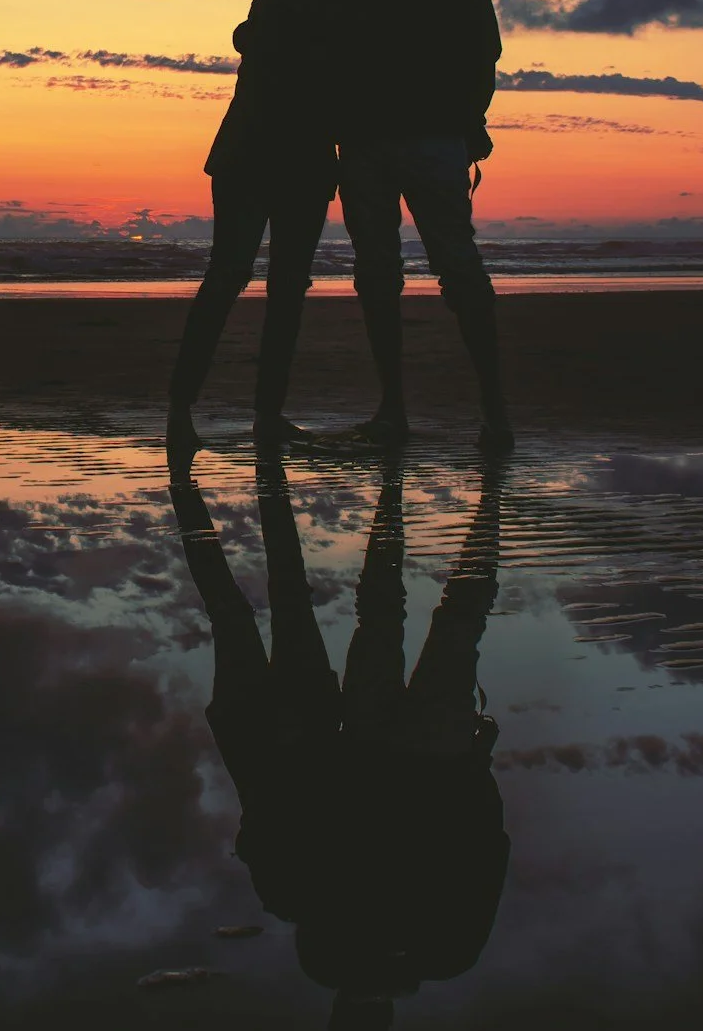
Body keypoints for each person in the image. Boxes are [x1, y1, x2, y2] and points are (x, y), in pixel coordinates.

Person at [166, 438, 510, 1027]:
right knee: (384, 611)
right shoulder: (314, 932)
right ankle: (403, 486)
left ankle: (469, 497)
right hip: (375, 745)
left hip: (428, 752)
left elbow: (490, 849)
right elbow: (278, 828)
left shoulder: (450, 953)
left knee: (441, 618)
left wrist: (474, 765)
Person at [291, 0, 511, 447]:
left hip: (400, 134)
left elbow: (480, 41)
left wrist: (470, 116)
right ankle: (468, 411)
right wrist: (472, 116)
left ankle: (439, 410)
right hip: (392, 134)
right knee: (431, 267)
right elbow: (482, 41)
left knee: (416, 269)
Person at [166, 0, 339, 447]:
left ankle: (206, 412)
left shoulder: (274, 7)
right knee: (260, 283)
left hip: (262, 157)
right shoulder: (310, 10)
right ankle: (236, 413)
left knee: (238, 279)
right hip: (279, 160)